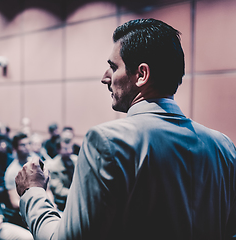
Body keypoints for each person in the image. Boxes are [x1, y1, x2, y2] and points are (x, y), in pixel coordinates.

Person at [15, 18, 236, 240]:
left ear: (141, 74)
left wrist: (33, 192)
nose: (105, 78)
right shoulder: (224, 146)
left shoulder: (107, 142)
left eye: (113, 67)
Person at [47, 139, 77, 211]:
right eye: (65, 149)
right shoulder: (54, 166)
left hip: (76, 200)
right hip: (62, 204)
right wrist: (78, 193)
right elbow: (59, 191)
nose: (69, 151)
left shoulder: (76, 160)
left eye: (70, 148)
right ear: (58, 150)